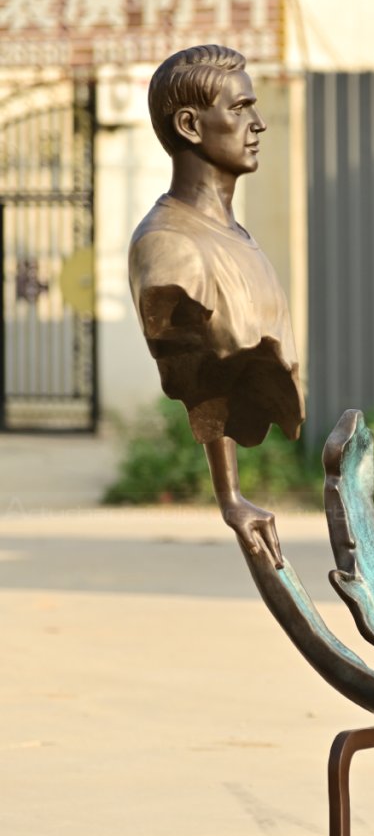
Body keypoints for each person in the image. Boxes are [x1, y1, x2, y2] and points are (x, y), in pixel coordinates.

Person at [128, 45, 304, 567]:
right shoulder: (170, 250)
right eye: (240, 107)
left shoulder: (234, 237)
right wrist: (229, 498)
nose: (259, 123)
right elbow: (202, 376)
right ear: (190, 124)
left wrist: (233, 496)